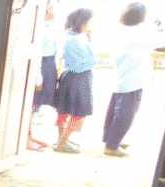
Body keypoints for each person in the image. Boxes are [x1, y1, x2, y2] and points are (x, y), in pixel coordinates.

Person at [101, 2, 165, 157]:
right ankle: (112, 146)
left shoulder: (122, 29)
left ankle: (110, 139)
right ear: (142, 19)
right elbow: (161, 42)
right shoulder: (139, 34)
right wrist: (160, 27)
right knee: (126, 114)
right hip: (132, 79)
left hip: (122, 76)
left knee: (114, 111)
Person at [53, 8, 96, 154]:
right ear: (84, 23)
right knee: (78, 112)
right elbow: (89, 62)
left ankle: (61, 139)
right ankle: (62, 144)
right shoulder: (77, 40)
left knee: (64, 110)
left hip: (69, 76)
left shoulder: (69, 36)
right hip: (80, 79)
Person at [28, 0, 60, 152]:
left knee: (35, 105)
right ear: (46, 9)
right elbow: (36, 54)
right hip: (41, 66)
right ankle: (25, 139)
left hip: (49, 65)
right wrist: (37, 77)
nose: (56, 9)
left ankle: (28, 136)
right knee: (30, 104)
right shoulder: (38, 27)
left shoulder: (50, 26)